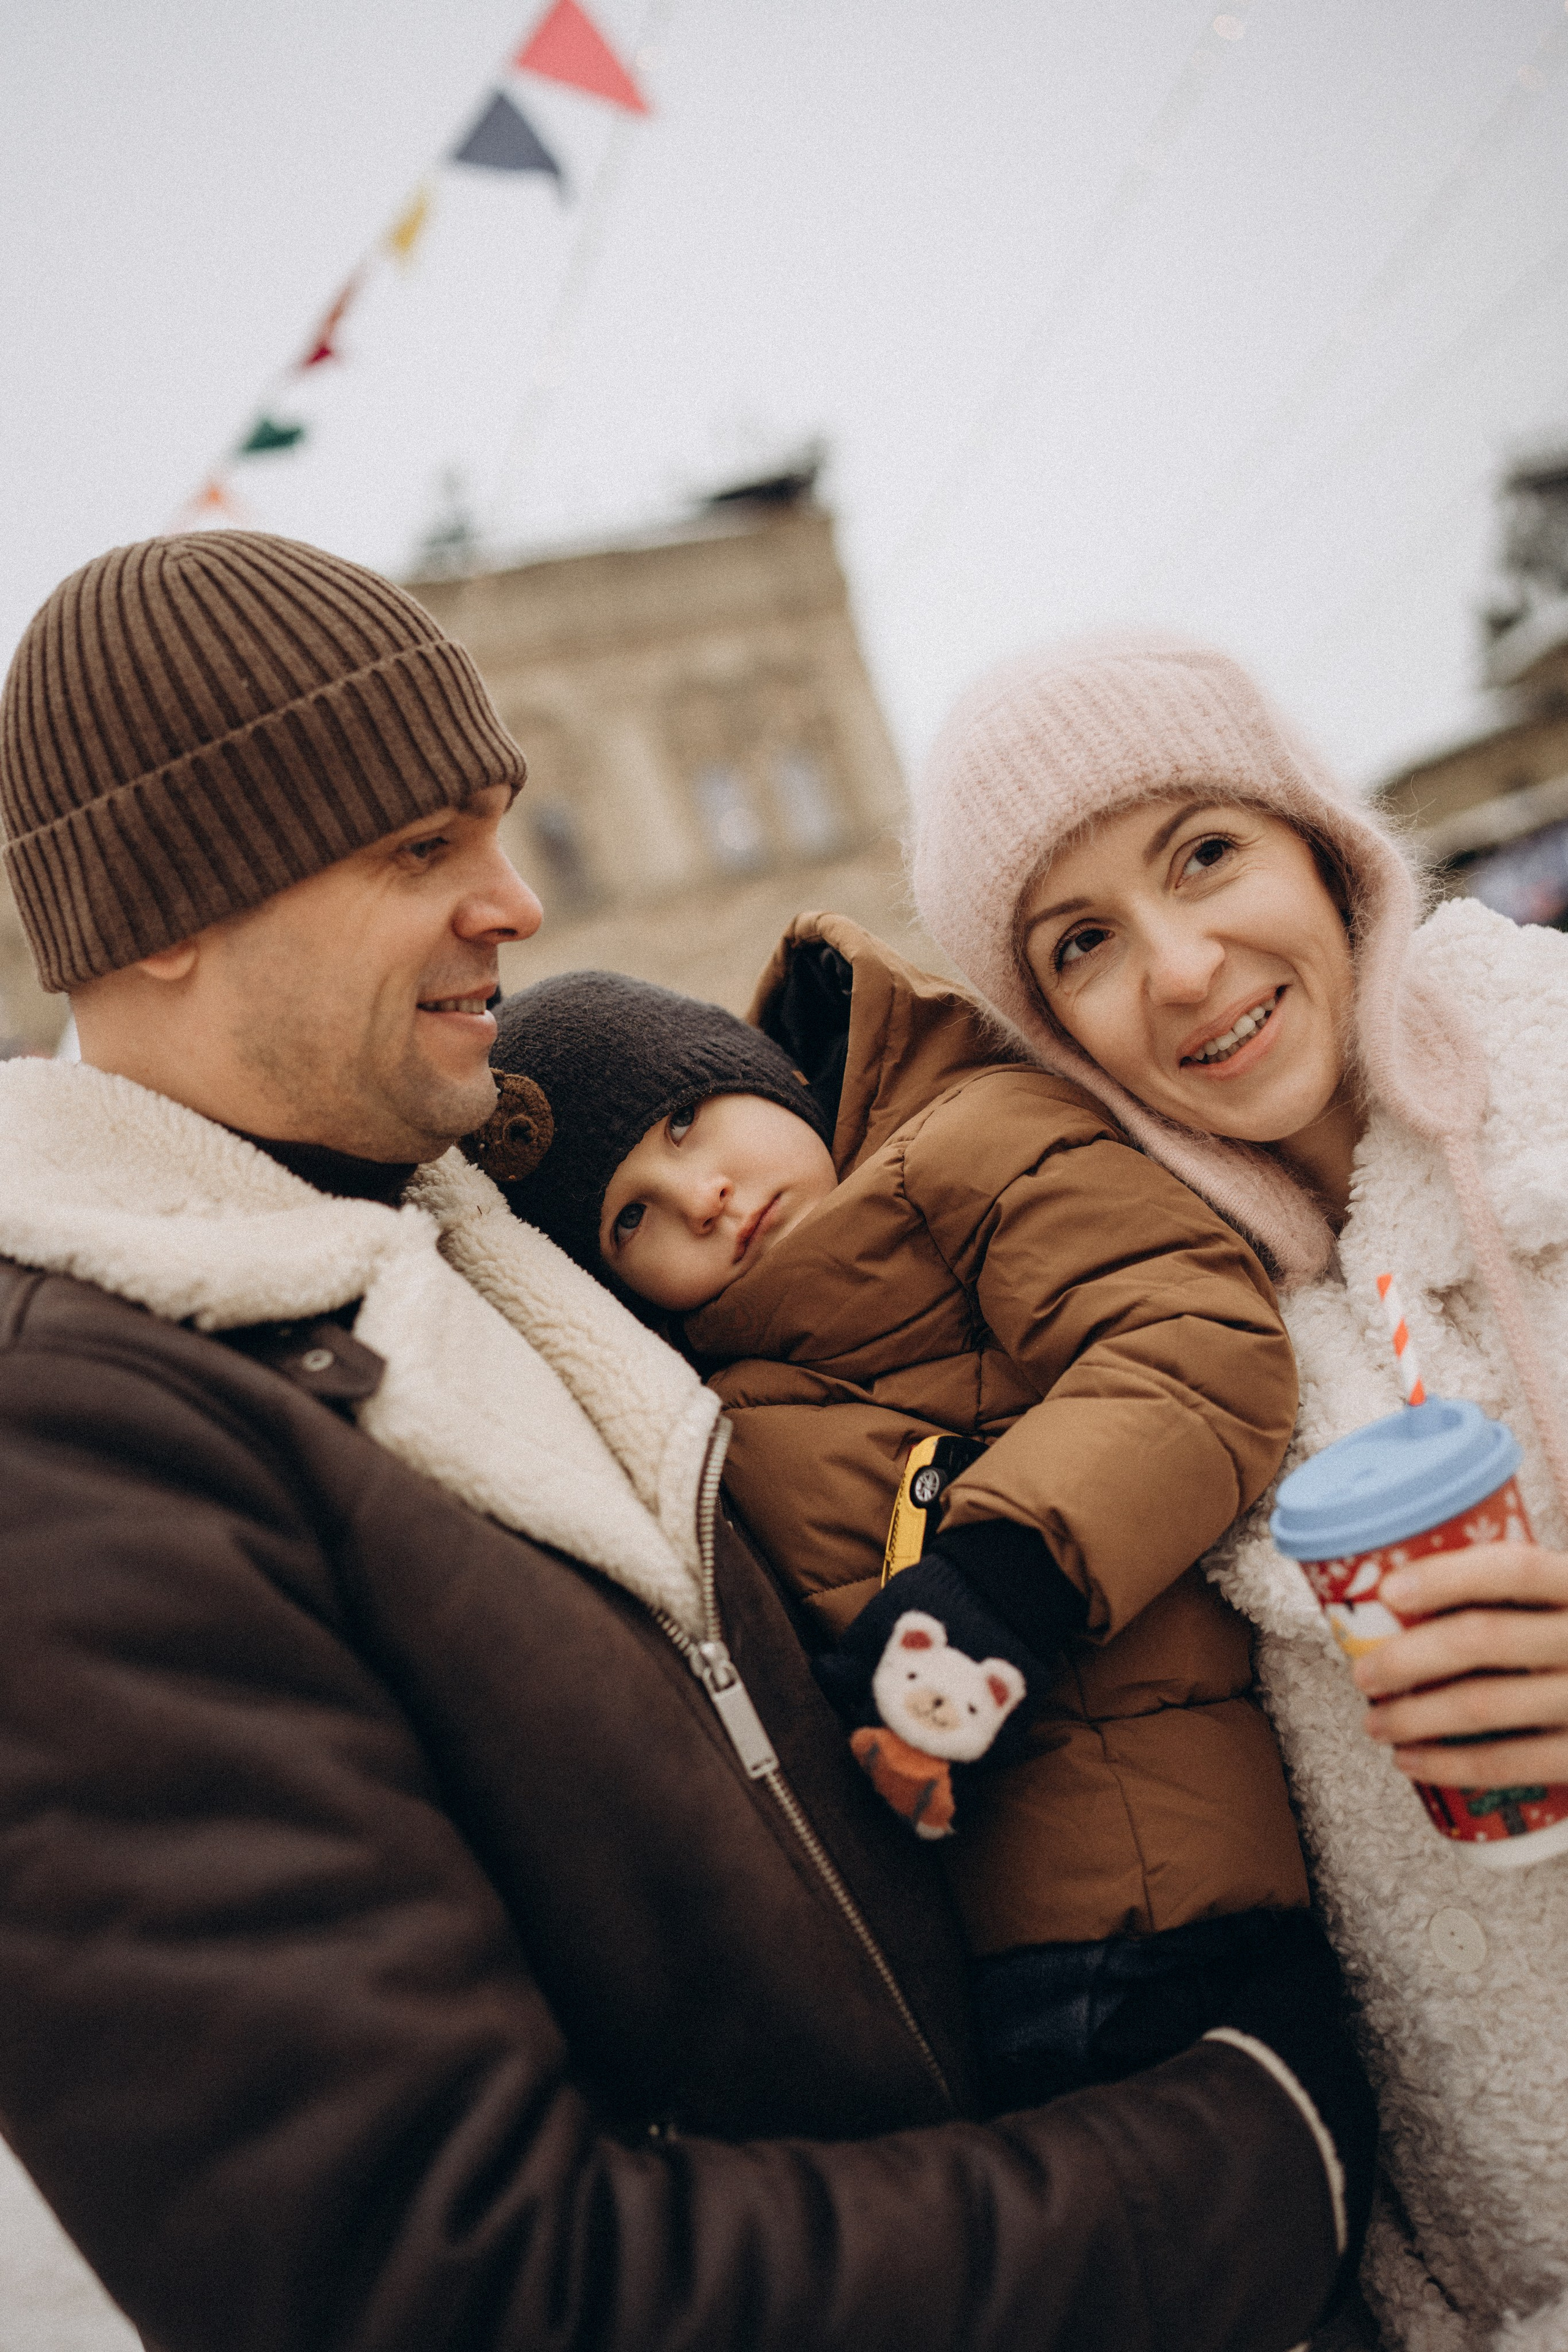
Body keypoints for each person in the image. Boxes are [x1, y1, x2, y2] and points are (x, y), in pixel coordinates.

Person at [0, 533, 1373, 2352]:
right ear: (168, 901)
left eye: (501, 822)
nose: (520, 902)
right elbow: (448, 2285)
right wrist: (1235, 2164)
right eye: (423, 848)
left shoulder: (509, 1263)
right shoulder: (76, 1450)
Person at [910, 632, 1568, 2352]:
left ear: (1322, 846)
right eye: (1084, 944)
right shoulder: (1163, 1359)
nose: (1186, 968)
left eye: (1205, 850)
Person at [473, 927, 1323, 2114]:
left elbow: (1185, 1346)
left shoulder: (969, 1144)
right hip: (969, 1966)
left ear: (753, 1068)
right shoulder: (702, 1394)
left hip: (1175, 1911)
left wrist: (1000, 1580)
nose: (702, 1196)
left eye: (684, 1123)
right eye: (631, 1220)